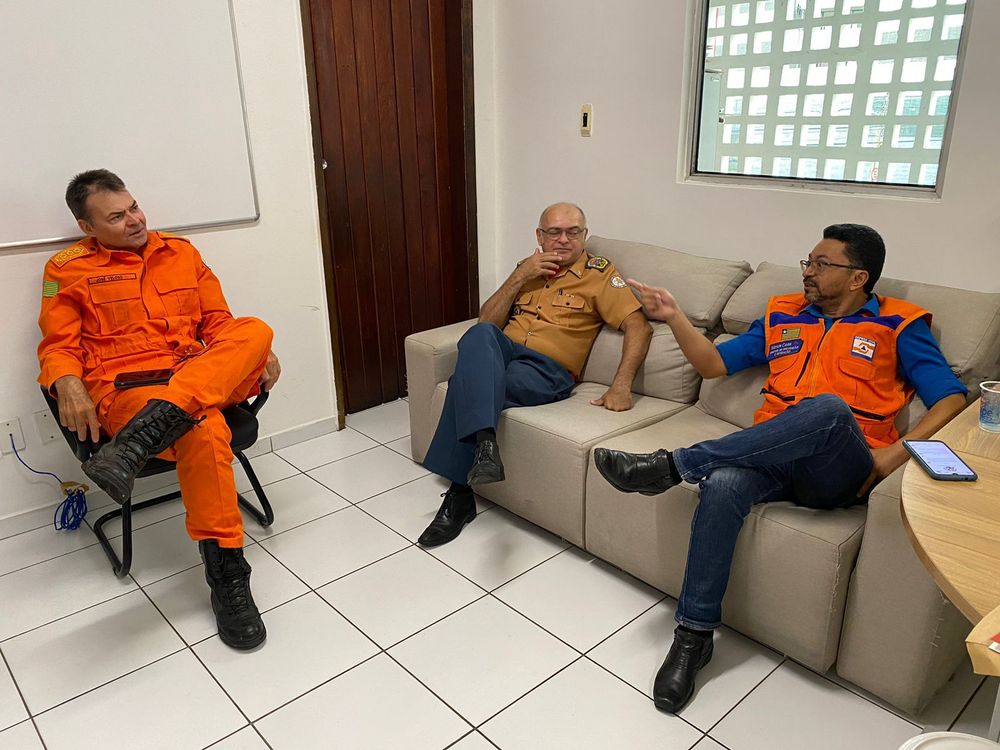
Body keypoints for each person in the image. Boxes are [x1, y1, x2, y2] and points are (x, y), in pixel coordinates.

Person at [594, 224, 967, 713]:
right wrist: (675, 316)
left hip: (841, 466)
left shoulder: (900, 324)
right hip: (771, 456)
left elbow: (952, 400)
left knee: (828, 409)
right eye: (807, 262)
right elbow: (712, 365)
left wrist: (892, 456)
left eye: (821, 264)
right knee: (724, 482)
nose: (808, 272)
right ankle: (694, 637)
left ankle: (674, 465)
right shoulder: (782, 313)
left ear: (858, 278)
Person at [37, 169, 281, 651]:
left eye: (133, 207)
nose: (134, 220)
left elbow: (219, 323)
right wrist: (66, 381)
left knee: (255, 330)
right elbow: (57, 346)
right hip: (129, 390)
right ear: (87, 227)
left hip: (193, 374)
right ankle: (228, 578)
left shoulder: (181, 253)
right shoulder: (66, 269)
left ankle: (141, 440)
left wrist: (253, 351)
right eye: (116, 217)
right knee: (202, 427)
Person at [418, 202, 653, 547]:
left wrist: (621, 385)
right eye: (554, 232)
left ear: (584, 235)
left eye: (573, 232)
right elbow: (487, 321)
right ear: (539, 236)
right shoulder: (526, 269)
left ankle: (459, 495)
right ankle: (485, 446)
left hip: (546, 370)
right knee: (479, 335)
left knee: (464, 383)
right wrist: (520, 276)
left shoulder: (599, 274)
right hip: (503, 354)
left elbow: (640, 327)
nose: (564, 240)